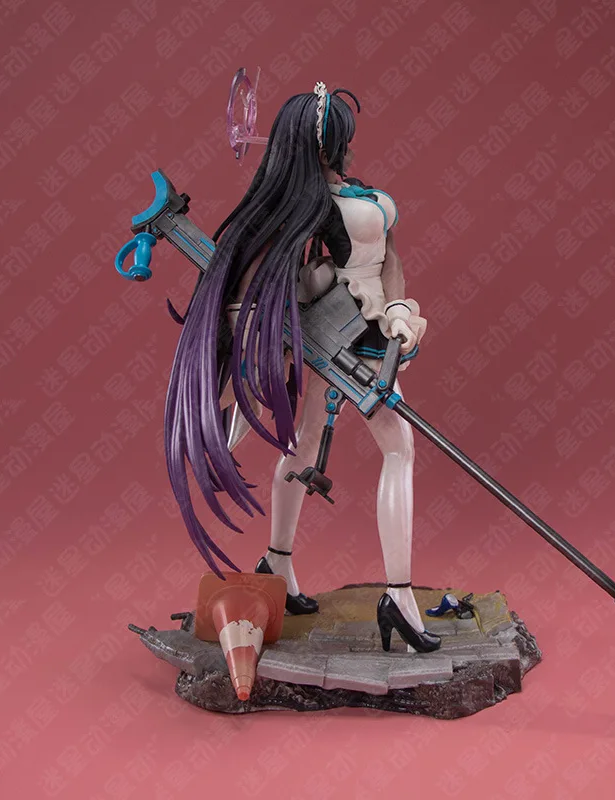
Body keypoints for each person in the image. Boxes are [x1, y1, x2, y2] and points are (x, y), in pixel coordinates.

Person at [165, 82, 440, 653]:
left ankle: (278, 562)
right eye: (341, 140)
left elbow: (389, 258)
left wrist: (397, 309)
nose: (350, 150)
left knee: (308, 442)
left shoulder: (354, 198)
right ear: (324, 145)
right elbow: (256, 282)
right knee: (393, 447)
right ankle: (397, 596)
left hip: (370, 330)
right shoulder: (306, 210)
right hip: (336, 333)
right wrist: (264, 339)